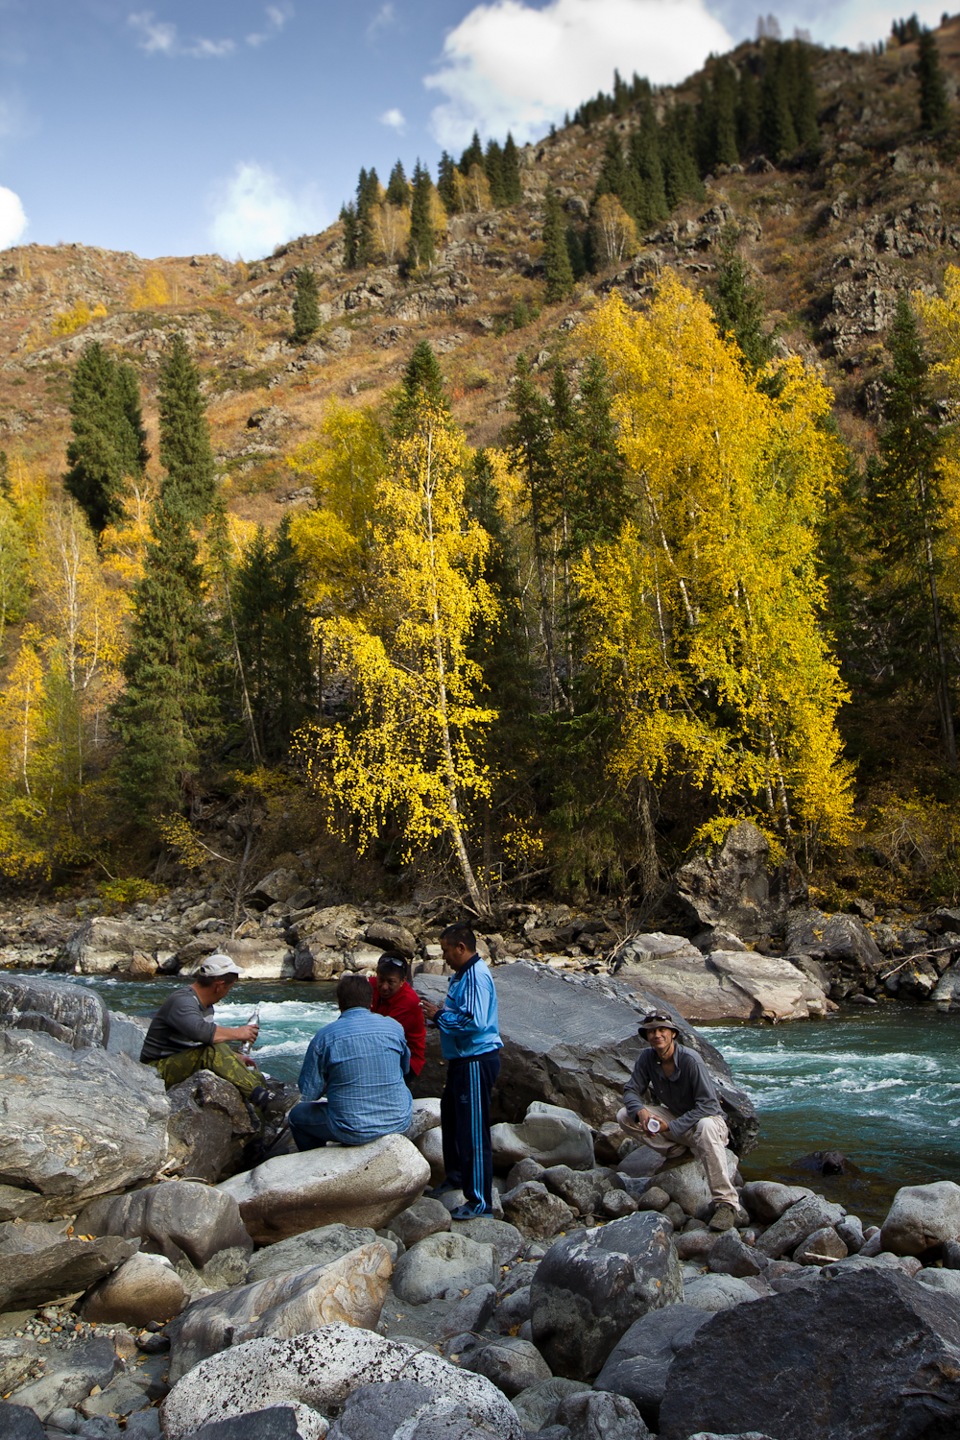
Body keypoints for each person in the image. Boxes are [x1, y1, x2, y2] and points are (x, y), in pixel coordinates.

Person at [618, 1009, 741, 1227]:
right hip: (678, 1123)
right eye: (652, 1031)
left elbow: (709, 1106)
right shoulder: (647, 1058)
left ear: (673, 1033)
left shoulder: (690, 1060)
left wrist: (672, 1126)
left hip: (708, 1123)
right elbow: (630, 1090)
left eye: (662, 1030)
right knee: (625, 1115)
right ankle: (677, 1152)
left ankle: (726, 1203)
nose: (657, 1035)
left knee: (706, 1126)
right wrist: (642, 1111)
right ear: (646, 1036)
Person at [419, 922, 502, 1220]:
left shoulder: (477, 977)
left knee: (473, 1132)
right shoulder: (461, 976)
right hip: (461, 1060)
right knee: (452, 1119)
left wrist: (439, 1015)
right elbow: (461, 1014)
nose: (444, 957)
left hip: (476, 1060)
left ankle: (480, 1202)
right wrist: (437, 1015)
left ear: (461, 948)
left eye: (445, 951)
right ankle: (455, 1176)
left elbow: (476, 1022)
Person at [289, 971, 412, 1150]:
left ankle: (315, 1161)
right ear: (370, 1002)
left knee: (297, 1116)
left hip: (352, 1129)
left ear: (339, 1004)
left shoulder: (324, 1037)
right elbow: (405, 1068)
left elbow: (308, 1093)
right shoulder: (394, 1027)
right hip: (398, 1121)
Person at [140, 953, 269, 1106]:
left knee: (252, 1073)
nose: (227, 992)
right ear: (219, 986)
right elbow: (201, 1033)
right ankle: (259, 1096)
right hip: (155, 1070)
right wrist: (239, 1033)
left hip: (181, 1061)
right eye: (229, 987)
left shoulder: (206, 1006)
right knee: (212, 1051)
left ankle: (261, 1103)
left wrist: (233, 1056)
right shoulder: (183, 1001)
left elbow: (197, 1043)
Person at [369, 952, 427, 1078]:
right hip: (381, 1048)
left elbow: (383, 1036)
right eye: (381, 980)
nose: (384, 987)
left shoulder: (409, 1001)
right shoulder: (370, 985)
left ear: (403, 981)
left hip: (407, 1060)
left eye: (391, 982)